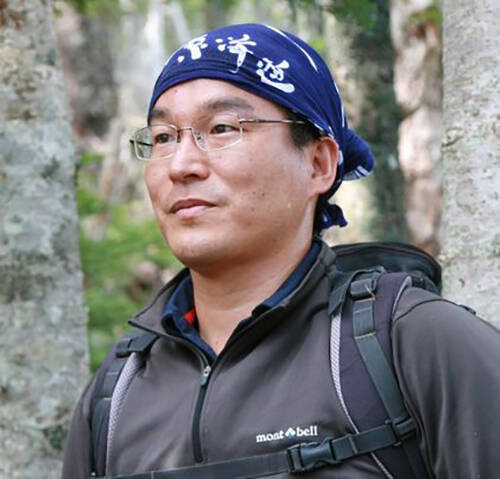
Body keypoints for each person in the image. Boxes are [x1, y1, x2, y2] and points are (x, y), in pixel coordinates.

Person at [62, 24, 500, 479]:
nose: (181, 165)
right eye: (164, 137)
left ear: (319, 164)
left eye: (222, 128)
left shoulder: (413, 342)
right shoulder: (117, 393)